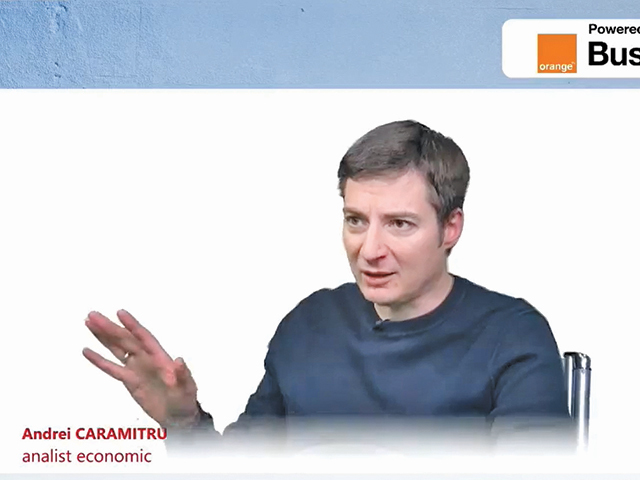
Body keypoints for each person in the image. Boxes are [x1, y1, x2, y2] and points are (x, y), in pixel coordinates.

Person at [83, 120, 571, 455]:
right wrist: (184, 423)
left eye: (399, 224)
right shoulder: (310, 324)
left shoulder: (513, 336)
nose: (369, 249)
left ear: (450, 228)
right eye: (356, 220)